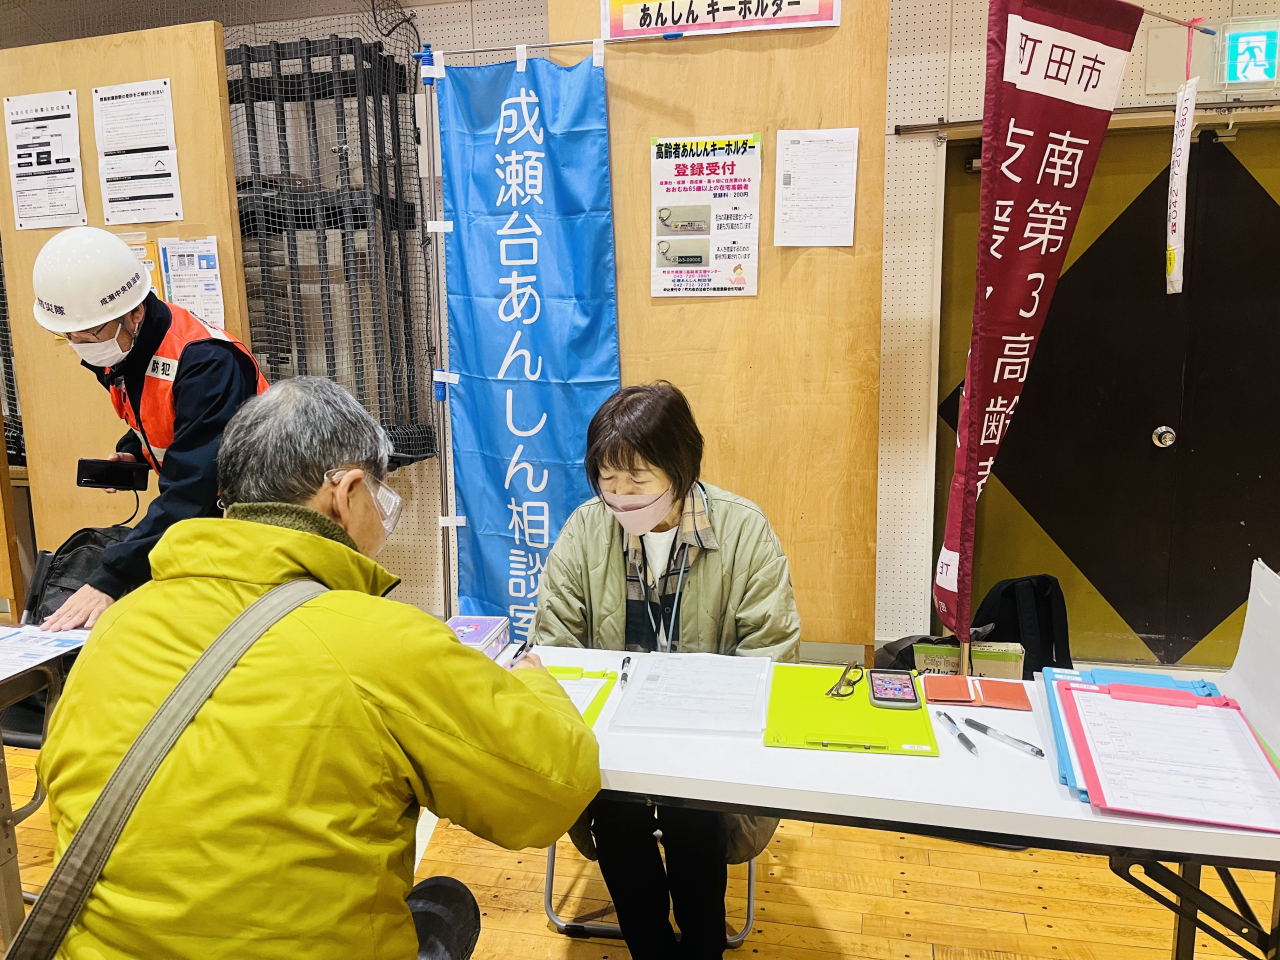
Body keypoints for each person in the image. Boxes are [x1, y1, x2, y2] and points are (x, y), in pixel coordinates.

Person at [38, 377, 601, 959]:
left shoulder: (118, 627)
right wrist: (535, 678)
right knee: (445, 903)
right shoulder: (383, 642)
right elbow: (553, 789)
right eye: (382, 498)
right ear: (347, 492)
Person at [533, 381, 801, 960]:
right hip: (611, 746)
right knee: (616, 814)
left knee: (694, 820)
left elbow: (772, 651)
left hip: (705, 743)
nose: (621, 497)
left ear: (679, 471)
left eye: (637, 480)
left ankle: (704, 946)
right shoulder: (586, 530)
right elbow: (553, 645)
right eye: (608, 481)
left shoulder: (742, 530)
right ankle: (650, 948)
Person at [32, 226, 268, 631]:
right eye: (69, 334)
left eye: (91, 332)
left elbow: (195, 486)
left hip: (251, 525)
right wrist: (135, 450)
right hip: (202, 523)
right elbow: (162, 419)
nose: (81, 343)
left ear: (135, 313)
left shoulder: (206, 362)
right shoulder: (121, 351)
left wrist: (112, 577)